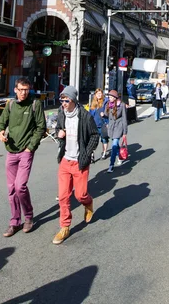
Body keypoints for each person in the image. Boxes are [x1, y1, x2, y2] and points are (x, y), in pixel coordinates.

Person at [0, 77, 46, 238]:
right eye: (21, 89)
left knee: (20, 186)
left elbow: (41, 127)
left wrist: (30, 147)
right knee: (11, 189)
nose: (24, 92)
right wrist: (0, 133)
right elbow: (1, 123)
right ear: (15, 90)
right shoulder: (10, 105)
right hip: (11, 150)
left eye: (26, 89)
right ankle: (15, 221)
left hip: (25, 151)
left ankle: (29, 216)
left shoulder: (34, 104)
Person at [52, 85, 99, 245]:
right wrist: (59, 133)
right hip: (65, 160)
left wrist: (86, 153)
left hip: (80, 161)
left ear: (73, 100)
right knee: (63, 196)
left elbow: (94, 135)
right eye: (62, 100)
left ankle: (88, 203)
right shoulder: (61, 113)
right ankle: (64, 227)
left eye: (66, 100)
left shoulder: (84, 116)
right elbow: (58, 128)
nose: (63, 103)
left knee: (80, 195)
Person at [104, 90, 128, 173]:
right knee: (116, 145)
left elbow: (124, 119)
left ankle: (111, 165)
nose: (109, 98)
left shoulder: (121, 105)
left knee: (114, 145)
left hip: (118, 127)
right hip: (111, 128)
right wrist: (104, 111)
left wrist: (125, 132)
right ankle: (120, 156)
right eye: (108, 97)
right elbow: (106, 115)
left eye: (110, 97)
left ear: (114, 98)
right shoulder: (108, 104)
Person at [89, 88, 108, 160]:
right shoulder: (93, 103)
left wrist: (105, 114)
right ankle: (91, 154)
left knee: (104, 139)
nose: (99, 95)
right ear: (95, 95)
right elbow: (90, 114)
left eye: (100, 94)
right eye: (98, 94)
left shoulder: (105, 102)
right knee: (93, 140)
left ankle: (104, 152)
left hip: (103, 123)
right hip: (94, 125)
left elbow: (109, 111)